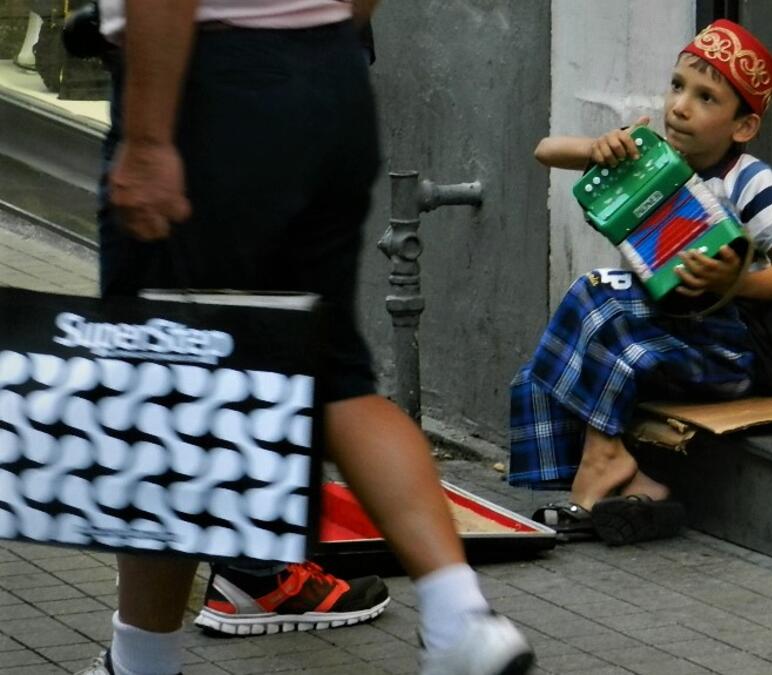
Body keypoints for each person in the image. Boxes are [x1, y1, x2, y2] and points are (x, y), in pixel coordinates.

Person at [78, 1, 534, 674]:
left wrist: (148, 140)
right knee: (333, 376)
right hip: (329, 78)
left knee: (162, 381)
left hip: (208, 84)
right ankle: (460, 615)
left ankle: (142, 661)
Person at [508, 19, 772, 545]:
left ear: (743, 126)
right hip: (666, 334)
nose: (680, 107)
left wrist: (732, 284)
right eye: (677, 86)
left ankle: (604, 461)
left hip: (732, 351)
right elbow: (544, 151)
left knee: (607, 305)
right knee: (587, 304)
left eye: (706, 98)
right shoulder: (649, 155)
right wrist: (598, 147)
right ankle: (632, 482)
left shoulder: (749, 179)